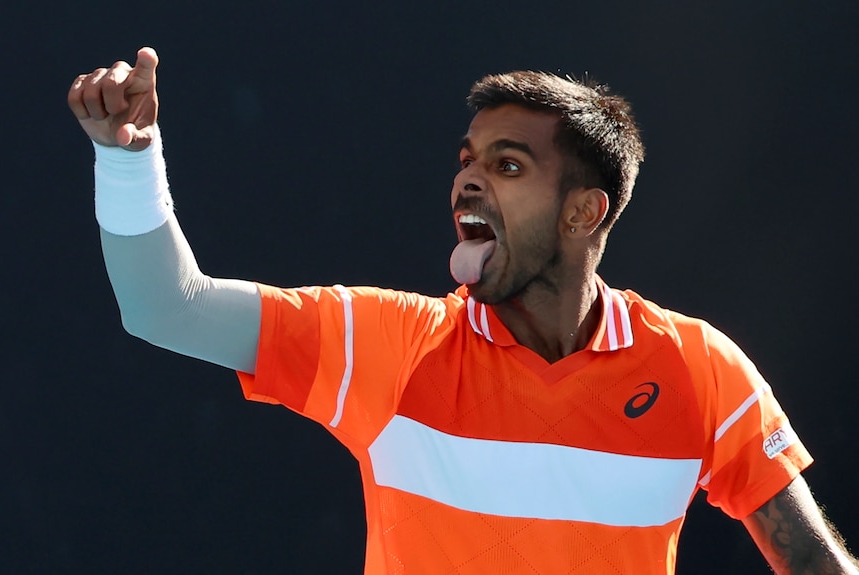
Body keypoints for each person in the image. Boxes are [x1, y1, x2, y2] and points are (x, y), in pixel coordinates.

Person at [68, 47, 858, 575]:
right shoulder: (392, 344)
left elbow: (814, 564)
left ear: (585, 213)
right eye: (466, 163)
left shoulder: (699, 369)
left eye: (507, 165)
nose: (467, 183)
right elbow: (165, 307)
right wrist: (126, 158)